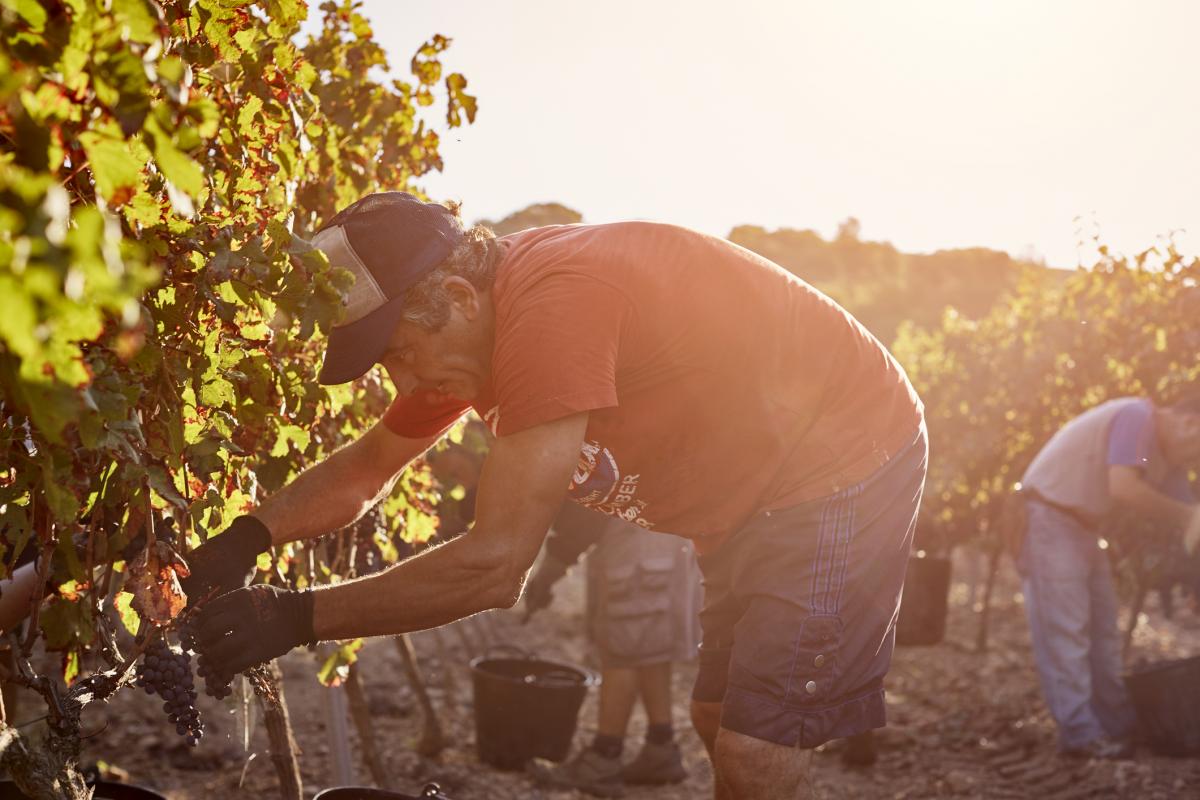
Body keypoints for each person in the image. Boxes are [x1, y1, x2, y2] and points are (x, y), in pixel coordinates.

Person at [186, 191, 927, 800]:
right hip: (747, 501)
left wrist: (296, 616)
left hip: (838, 463)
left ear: (455, 295)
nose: (404, 386)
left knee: (757, 750)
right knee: (716, 715)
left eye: (400, 356)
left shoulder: (552, 310)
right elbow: (368, 466)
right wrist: (246, 538)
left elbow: (494, 565)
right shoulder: (470, 330)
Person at [1016, 393, 1200, 759]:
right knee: (1066, 631)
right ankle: (1081, 735)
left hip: (1084, 527)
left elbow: (1191, 526)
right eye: (1197, 451)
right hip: (1049, 517)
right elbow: (1125, 488)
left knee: (1103, 632)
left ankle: (1118, 725)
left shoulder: (1169, 459)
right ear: (1190, 424)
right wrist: (1187, 518)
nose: (1195, 461)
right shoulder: (1137, 417)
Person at [523, 502, 701, 797]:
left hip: (638, 544)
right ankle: (660, 749)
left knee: (622, 648)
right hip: (663, 539)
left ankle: (604, 757)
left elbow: (582, 521)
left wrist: (548, 573)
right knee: (647, 644)